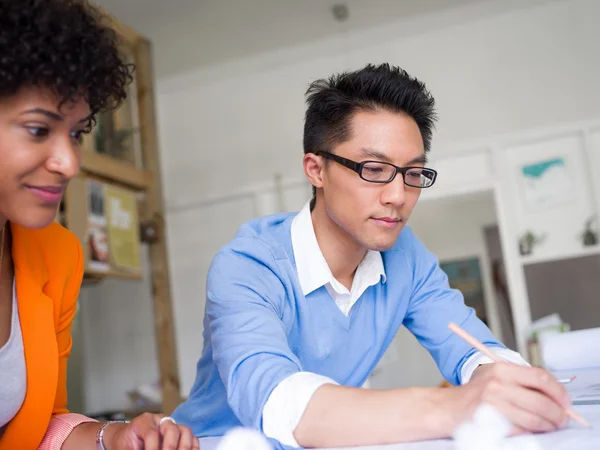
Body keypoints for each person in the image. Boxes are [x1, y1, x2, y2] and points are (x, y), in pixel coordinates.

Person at [173, 63, 572, 449]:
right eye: (374, 168)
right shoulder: (249, 265)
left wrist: (509, 383)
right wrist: (453, 405)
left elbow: (470, 346)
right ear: (316, 169)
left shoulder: (406, 255)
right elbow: (277, 403)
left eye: (413, 173)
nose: (398, 196)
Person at [0, 1, 198, 449]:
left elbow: (37, 424)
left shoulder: (57, 255)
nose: (69, 163)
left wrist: (116, 437)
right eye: (37, 130)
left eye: (76, 133)